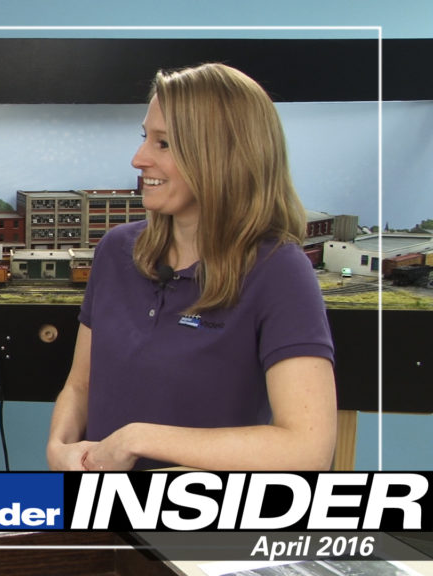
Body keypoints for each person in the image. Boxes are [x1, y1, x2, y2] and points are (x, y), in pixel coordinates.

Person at [46, 63, 337, 472]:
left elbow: (308, 450)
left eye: (163, 144)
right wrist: (60, 448)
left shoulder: (279, 272)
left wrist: (137, 439)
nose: (138, 158)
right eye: (144, 137)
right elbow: (80, 385)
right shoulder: (115, 251)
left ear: (221, 155)